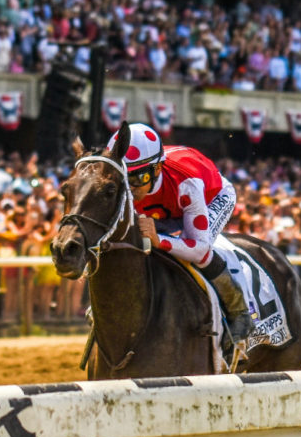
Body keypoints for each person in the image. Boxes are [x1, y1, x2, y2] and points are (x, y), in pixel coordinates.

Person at [108, 122, 254, 342]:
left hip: (211, 196)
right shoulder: (124, 187)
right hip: (167, 209)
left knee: (195, 254)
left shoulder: (187, 182)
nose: (130, 188)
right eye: (123, 179)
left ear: (156, 169)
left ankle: (239, 312)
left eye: (138, 178)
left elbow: (199, 249)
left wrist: (159, 240)